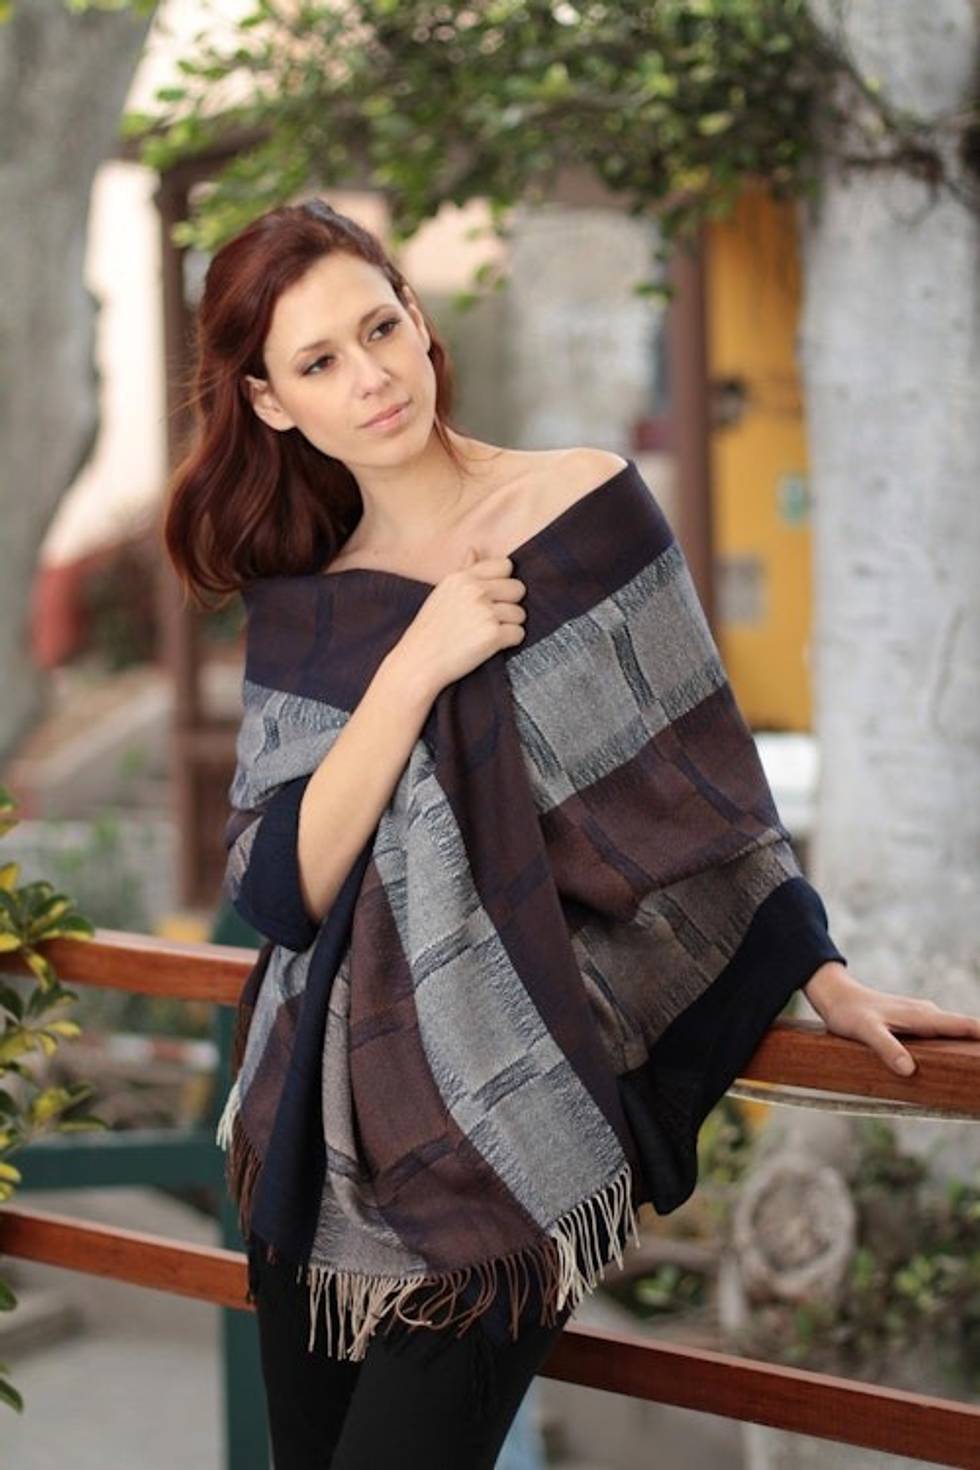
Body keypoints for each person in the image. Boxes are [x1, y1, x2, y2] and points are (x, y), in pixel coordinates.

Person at [162, 198, 980, 1469]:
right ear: (270, 402)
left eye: (378, 328)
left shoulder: (584, 508)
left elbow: (699, 797)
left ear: (417, 317)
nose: (370, 377)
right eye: (317, 362)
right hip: (317, 1145)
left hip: (511, 1125)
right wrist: (419, 660)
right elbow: (281, 891)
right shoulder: (308, 611)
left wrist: (818, 973)